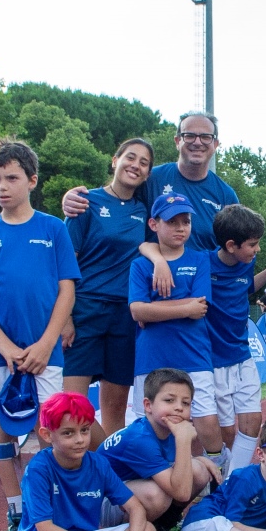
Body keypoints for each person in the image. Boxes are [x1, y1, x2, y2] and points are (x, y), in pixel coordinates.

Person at [0, 139, 80, 531]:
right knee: (2, 430)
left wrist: (46, 343)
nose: (2, 187)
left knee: (47, 432)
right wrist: (6, 347)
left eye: (11, 178)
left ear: (32, 180)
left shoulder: (53, 229)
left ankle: (44, 511)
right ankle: (15, 513)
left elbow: (67, 290)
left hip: (46, 353)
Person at [14, 392, 153, 531]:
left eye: (85, 430)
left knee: (148, 529)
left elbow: (136, 508)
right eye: (68, 433)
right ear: (47, 435)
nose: (79, 440)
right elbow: (45, 530)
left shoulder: (98, 463)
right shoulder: (38, 469)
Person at [62, 137, 153, 441]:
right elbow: (64, 265)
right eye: (130, 157)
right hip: (85, 309)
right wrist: (65, 318)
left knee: (115, 409)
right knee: (73, 406)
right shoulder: (85, 201)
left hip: (124, 315)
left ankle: (111, 467)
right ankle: (105, 459)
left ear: (147, 174)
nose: (135, 165)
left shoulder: (144, 212)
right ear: (115, 161)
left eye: (143, 163)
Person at [60, 112, 239, 254]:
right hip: (150, 284)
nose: (197, 142)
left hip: (201, 286)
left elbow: (236, 248)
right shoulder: (151, 178)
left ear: (216, 144)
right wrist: (72, 198)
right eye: (189, 135)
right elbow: (114, 196)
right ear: (177, 141)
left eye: (206, 137)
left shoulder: (226, 195)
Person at [128, 193, 220, 460]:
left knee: (205, 420)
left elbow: (199, 306)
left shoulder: (199, 259)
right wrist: (184, 308)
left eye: (186, 221)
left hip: (193, 355)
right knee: (150, 425)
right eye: (172, 222)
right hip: (151, 358)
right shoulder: (141, 265)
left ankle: (216, 472)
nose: (181, 228)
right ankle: (155, 474)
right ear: (154, 224)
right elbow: (137, 310)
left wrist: (154, 310)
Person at [98, 368, 220, 531]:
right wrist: (184, 440)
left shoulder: (167, 427)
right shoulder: (140, 439)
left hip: (127, 490)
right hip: (99, 503)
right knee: (157, 495)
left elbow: (173, 465)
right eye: (169, 400)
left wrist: (199, 459)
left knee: (198, 471)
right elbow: (182, 493)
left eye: (186, 403)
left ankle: (164, 525)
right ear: (148, 405)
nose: (178, 408)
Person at [204, 204, 266, 470]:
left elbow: (246, 287)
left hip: (242, 355)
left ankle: (235, 480)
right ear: (231, 245)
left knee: (253, 421)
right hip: (212, 362)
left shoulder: (246, 263)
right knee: (225, 431)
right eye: (253, 244)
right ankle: (219, 479)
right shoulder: (202, 264)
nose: (257, 249)